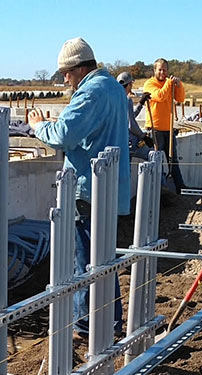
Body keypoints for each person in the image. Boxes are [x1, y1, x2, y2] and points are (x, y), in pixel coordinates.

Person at [27, 37, 128, 337]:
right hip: (110, 190)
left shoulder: (91, 93)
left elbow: (63, 134)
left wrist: (37, 125)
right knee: (105, 263)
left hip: (88, 191)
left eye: (66, 73)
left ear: (80, 68)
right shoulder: (112, 87)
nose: (64, 79)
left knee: (84, 264)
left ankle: (85, 329)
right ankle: (112, 324)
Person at [142, 58, 187, 193]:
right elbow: (160, 96)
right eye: (160, 70)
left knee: (173, 160)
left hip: (168, 128)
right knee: (157, 161)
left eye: (165, 70)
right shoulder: (149, 84)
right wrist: (169, 83)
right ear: (154, 70)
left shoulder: (170, 84)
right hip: (155, 129)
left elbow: (180, 98)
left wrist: (178, 85)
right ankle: (159, 190)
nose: (162, 72)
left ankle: (180, 188)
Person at [117, 71, 153, 161]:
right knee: (153, 155)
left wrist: (141, 102)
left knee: (125, 169)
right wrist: (144, 137)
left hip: (119, 142)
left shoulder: (115, 99)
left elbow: (130, 116)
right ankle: (159, 175)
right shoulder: (127, 99)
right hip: (131, 142)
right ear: (129, 84)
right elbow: (131, 124)